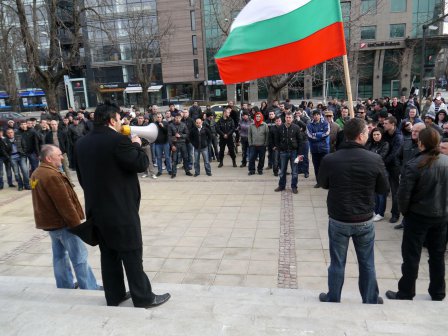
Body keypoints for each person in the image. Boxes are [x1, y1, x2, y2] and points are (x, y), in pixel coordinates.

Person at [75, 101, 170, 308]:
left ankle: (115, 295)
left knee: (109, 255)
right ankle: (144, 297)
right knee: (132, 252)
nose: (122, 123)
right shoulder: (119, 141)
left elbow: (82, 178)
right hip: (121, 211)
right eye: (120, 119)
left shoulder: (81, 144)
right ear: (112, 120)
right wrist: (136, 144)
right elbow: (140, 164)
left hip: (97, 210)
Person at [318, 118, 389, 304]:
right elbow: (383, 188)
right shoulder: (374, 159)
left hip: (340, 218)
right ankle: (370, 298)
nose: (368, 134)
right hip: (361, 218)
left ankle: (334, 296)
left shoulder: (331, 159)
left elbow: (324, 183)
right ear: (360, 136)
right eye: (367, 132)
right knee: (366, 262)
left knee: (338, 262)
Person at [386, 128, 448, 301]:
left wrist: (406, 213)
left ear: (421, 143)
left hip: (418, 216)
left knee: (412, 256)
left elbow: (403, 195)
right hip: (441, 216)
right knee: (437, 255)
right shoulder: (443, 161)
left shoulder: (415, 164)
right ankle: (438, 292)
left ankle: (406, 291)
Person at [30, 144, 100, 290]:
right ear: (49, 158)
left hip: (51, 224)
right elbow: (65, 204)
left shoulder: (37, 172)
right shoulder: (52, 175)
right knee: (79, 257)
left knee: (59, 257)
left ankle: (65, 285)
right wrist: (77, 226)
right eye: (59, 155)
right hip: (63, 224)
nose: (62, 157)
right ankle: (89, 287)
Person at [274, 112, 302, 194]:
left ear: (292, 118)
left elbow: (300, 141)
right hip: (283, 152)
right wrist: (279, 149)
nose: (288, 119)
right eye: (287, 117)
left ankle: (294, 187)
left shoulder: (296, 127)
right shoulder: (280, 128)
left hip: (294, 152)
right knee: (282, 170)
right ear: (284, 118)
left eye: (290, 117)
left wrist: (299, 154)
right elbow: (276, 140)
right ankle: (281, 186)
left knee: (294, 171)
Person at [383, 116, 404, 224]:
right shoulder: (385, 134)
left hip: (394, 166)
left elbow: (395, 153)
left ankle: (395, 214)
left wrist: (383, 161)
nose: (384, 125)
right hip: (385, 164)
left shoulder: (399, 137)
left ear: (392, 124)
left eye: (386, 123)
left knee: (395, 191)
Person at [366, 128, 389, 222]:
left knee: (382, 194)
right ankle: (375, 211)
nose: (376, 136)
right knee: (375, 193)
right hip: (372, 172)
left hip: (381, 172)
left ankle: (381, 213)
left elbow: (381, 157)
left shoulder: (385, 144)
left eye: (378, 134)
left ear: (381, 135)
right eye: (374, 134)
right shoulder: (370, 144)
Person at [307, 110, 330, 188]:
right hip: (314, 149)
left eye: (317, 114)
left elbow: (326, 134)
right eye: (314, 115)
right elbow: (310, 136)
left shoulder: (325, 123)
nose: (316, 116)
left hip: (324, 149)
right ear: (312, 116)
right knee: (316, 167)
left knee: (325, 166)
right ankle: (318, 182)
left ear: (320, 115)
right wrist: (320, 135)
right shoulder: (309, 125)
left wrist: (316, 134)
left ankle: (326, 182)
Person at [169, 114, 192, 178]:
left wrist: (181, 136)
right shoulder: (171, 125)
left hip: (183, 144)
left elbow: (187, 134)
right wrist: (172, 145)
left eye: (179, 118)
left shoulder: (183, 125)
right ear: (174, 118)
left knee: (185, 158)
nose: (177, 119)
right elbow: (169, 136)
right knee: (174, 159)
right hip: (175, 144)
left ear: (181, 118)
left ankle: (187, 171)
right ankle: (174, 173)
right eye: (176, 118)